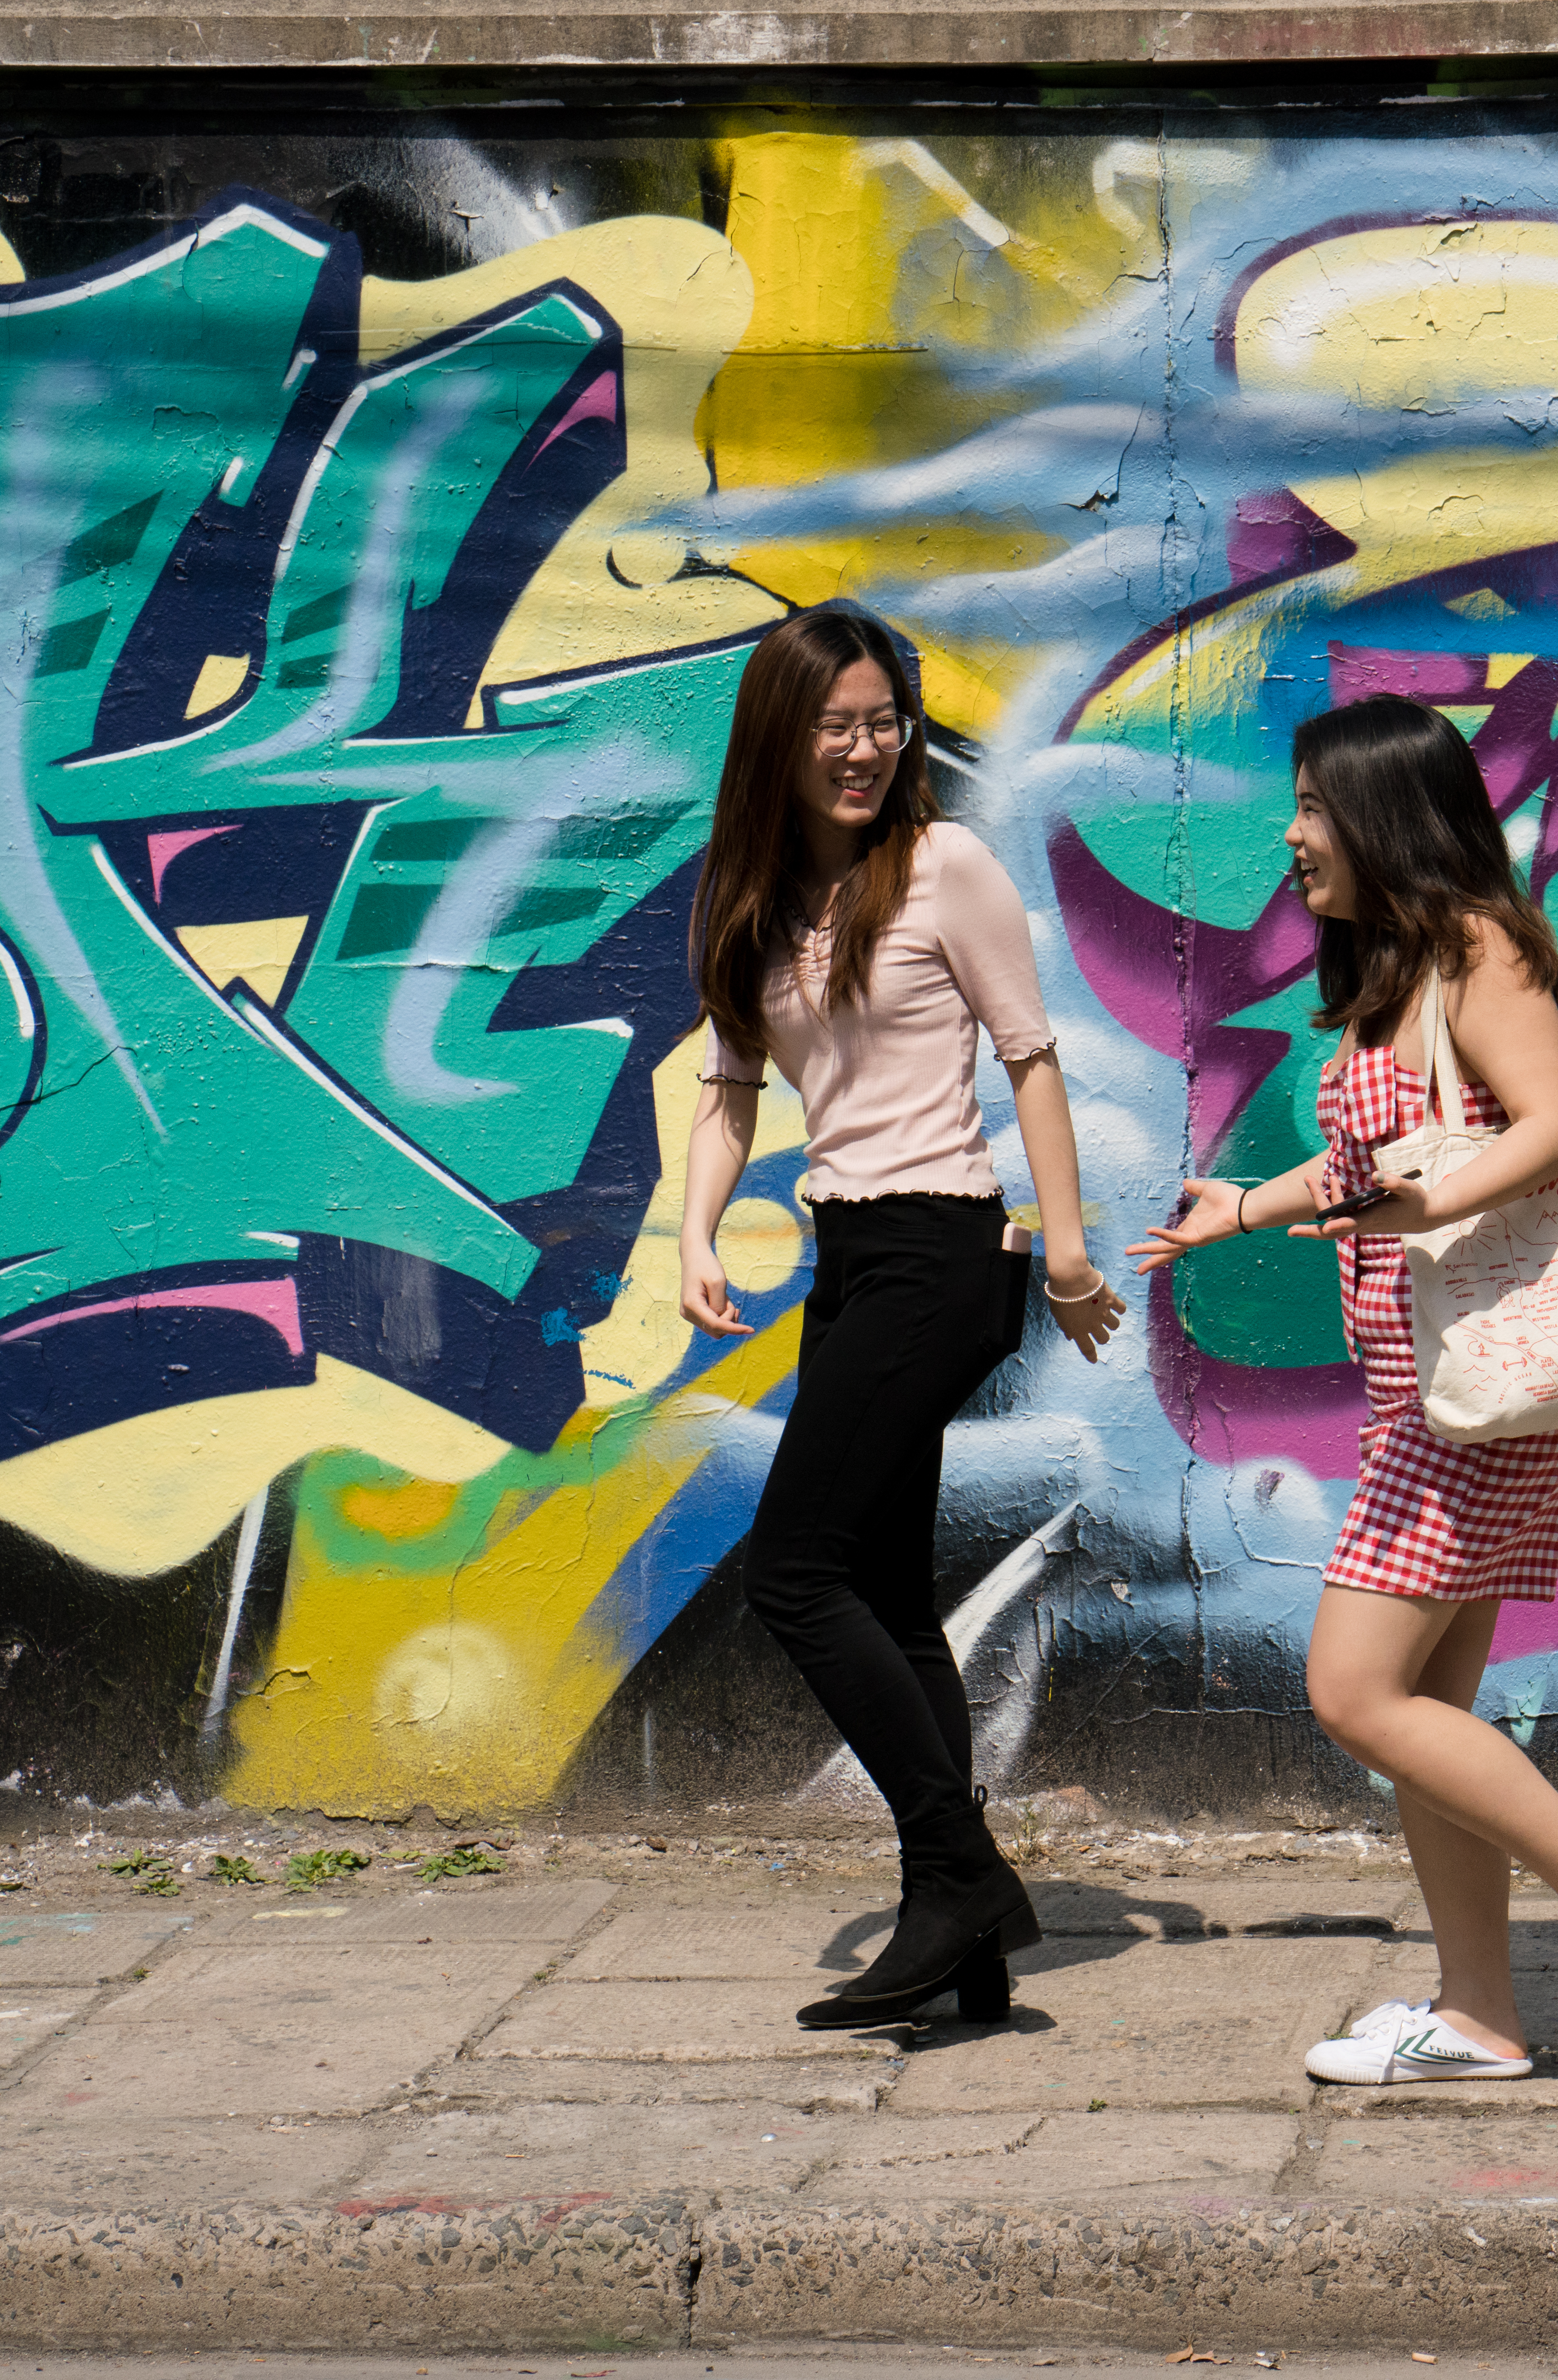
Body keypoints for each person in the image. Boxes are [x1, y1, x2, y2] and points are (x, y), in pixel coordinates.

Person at [1130, 694, 1558, 2082]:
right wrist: (1244, 1209)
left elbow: (1553, 1125)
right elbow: (1373, 1167)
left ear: (1387, 816)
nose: (1293, 835)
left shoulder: (1480, 949)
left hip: (1478, 1396)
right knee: (1426, 1714)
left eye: (1314, 808)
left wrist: (1425, 1202)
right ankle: (1479, 2019)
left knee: (1354, 1691)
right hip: (1428, 1396)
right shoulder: (1397, 973)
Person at [678, 605, 1126, 2031]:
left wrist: (1068, 1251)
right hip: (851, 1257)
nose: (866, 748)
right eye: (839, 726)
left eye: (885, 722)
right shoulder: (752, 895)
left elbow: (1033, 1058)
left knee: (794, 1574)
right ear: (782, 737)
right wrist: (695, 1229)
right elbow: (732, 1084)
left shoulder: (946, 867)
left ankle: (957, 1871)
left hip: (943, 1251)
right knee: (876, 1590)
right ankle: (966, 1936)